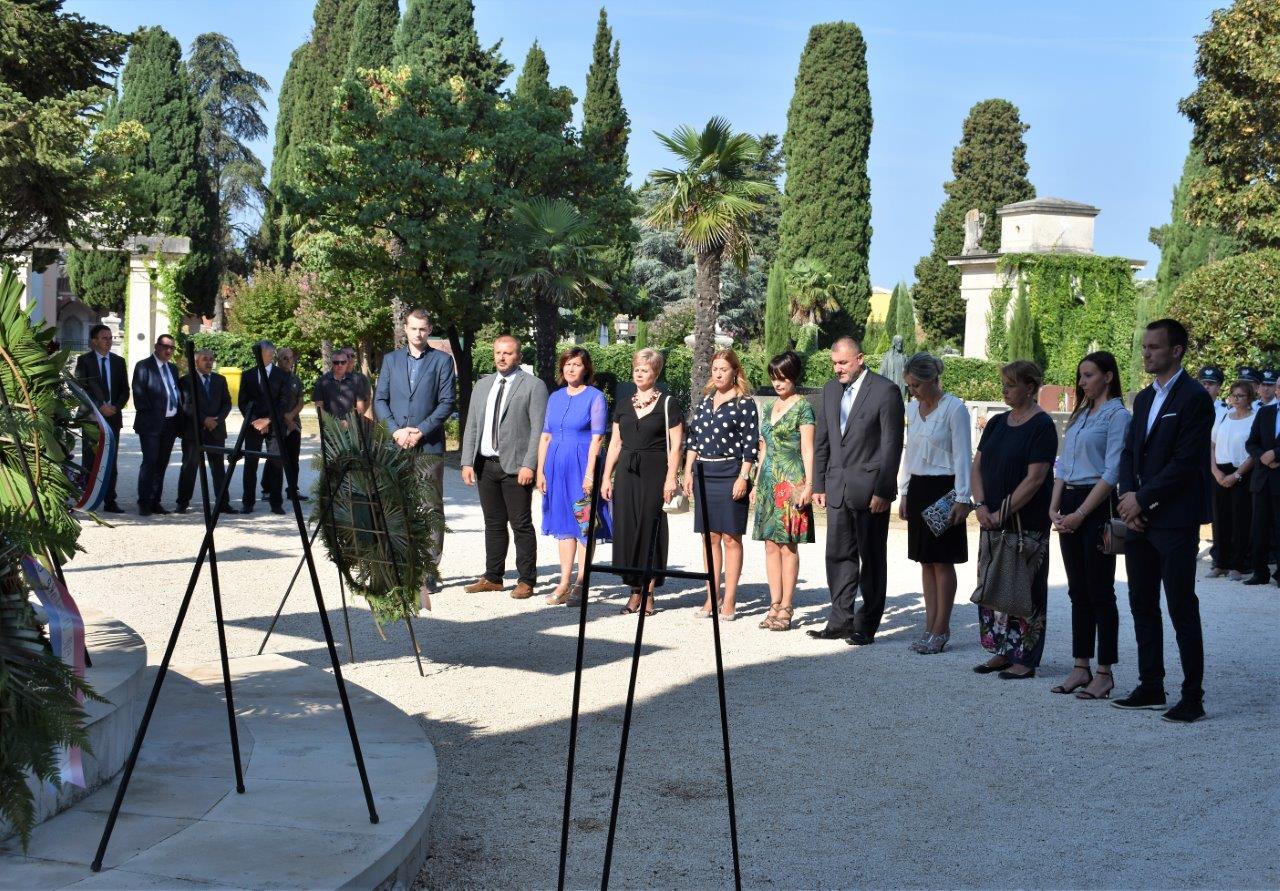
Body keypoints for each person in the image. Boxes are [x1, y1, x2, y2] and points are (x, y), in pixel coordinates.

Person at [1114, 318, 1214, 723]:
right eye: (1144, 346)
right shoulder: (1142, 399)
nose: (1146, 353)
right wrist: (1127, 499)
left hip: (1174, 519)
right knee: (1141, 602)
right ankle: (1151, 684)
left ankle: (1193, 697)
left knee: (1181, 606)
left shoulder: (1195, 398)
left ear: (1177, 351)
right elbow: (1129, 453)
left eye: (1154, 347)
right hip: (1139, 518)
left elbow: (1185, 463)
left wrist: (1143, 501)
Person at [810, 337, 905, 645]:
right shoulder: (830, 390)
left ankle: (866, 625)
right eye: (834, 363)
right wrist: (818, 483)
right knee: (837, 555)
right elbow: (823, 440)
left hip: (870, 491)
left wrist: (884, 490)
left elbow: (891, 444)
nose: (837, 369)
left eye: (843, 363)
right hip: (837, 487)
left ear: (860, 359)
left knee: (872, 558)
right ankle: (840, 620)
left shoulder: (885, 391)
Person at [1048, 352, 1130, 700]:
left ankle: (1104, 672)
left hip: (1095, 505)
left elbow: (1112, 472)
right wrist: (1053, 507)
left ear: (1108, 376)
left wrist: (1081, 513)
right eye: (1080, 376)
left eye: (1089, 375)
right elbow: (1063, 464)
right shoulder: (1081, 415)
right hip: (1069, 501)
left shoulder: (1118, 416)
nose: (1082, 382)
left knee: (1100, 590)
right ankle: (1080, 665)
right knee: (1077, 590)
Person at [971, 360, 1058, 679]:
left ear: (1030, 387)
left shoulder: (1042, 425)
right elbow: (977, 465)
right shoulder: (996, 423)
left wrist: (1002, 511)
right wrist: (981, 505)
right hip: (991, 519)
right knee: (994, 583)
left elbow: (1035, 479)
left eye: (1011, 385)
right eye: (1003, 384)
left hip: (1026, 523)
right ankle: (1002, 650)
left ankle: (1025, 657)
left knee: (1025, 587)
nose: (1004, 390)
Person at [374, 309, 456, 600]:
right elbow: (380, 399)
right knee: (395, 505)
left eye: (423, 329)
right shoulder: (390, 360)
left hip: (428, 445)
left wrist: (420, 431)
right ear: (405, 329)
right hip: (395, 446)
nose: (418, 333)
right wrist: (396, 431)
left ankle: (428, 570)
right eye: (413, 328)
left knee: (430, 507)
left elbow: (447, 402)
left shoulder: (442, 361)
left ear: (429, 329)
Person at [460, 335, 547, 599]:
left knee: (521, 524)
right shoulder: (482, 385)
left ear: (518, 356)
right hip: (485, 465)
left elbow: (538, 429)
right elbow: (472, 425)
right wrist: (466, 461)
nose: (502, 357)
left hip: (516, 468)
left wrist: (529, 465)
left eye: (507, 353)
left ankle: (526, 580)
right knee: (493, 524)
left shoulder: (534, 386)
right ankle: (493, 577)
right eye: (498, 352)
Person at [897, 352, 972, 655]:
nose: (912, 390)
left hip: (945, 490)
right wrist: (904, 491)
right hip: (919, 488)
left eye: (916, 385)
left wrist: (963, 498)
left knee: (942, 561)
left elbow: (963, 456)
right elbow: (910, 452)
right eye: (909, 385)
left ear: (932, 380)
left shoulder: (955, 409)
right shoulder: (912, 410)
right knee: (925, 560)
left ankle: (941, 628)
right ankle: (929, 627)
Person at [600, 348, 682, 615]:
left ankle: (648, 592)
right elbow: (615, 444)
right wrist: (606, 477)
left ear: (655, 373)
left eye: (644, 369)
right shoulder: (623, 404)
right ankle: (634, 590)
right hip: (626, 473)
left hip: (655, 472)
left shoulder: (668, 403)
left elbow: (677, 445)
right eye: (636, 368)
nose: (639, 373)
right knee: (627, 528)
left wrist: (671, 478)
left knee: (649, 528)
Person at [683, 349, 759, 620]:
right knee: (709, 537)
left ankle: (730, 600)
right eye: (715, 369)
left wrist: (744, 476)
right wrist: (688, 472)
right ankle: (711, 596)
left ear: (734, 372)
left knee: (730, 537)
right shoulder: (705, 401)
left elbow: (751, 444)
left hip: (731, 472)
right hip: (704, 472)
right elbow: (693, 439)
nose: (717, 373)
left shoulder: (744, 403)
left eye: (723, 369)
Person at [535, 347, 611, 606]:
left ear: (585, 369)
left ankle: (581, 582)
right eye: (567, 364)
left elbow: (597, 438)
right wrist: (540, 470)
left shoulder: (595, 397)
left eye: (576, 364)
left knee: (583, 524)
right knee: (562, 524)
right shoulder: (555, 397)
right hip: (556, 467)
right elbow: (546, 436)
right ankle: (564, 582)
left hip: (581, 467)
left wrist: (590, 475)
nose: (571, 369)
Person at [750, 351, 815, 632]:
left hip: (791, 482)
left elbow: (808, 449)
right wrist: (755, 483)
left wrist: (809, 485)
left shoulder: (804, 407)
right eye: (774, 377)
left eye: (783, 377)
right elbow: (763, 449)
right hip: (767, 482)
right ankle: (774, 603)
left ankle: (787, 605)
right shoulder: (768, 408)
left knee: (788, 545)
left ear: (793, 377)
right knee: (769, 544)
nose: (777, 383)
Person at [74, 324, 128, 513]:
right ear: (94, 341)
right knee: (91, 459)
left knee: (111, 459)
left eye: (111, 338)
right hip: (92, 418)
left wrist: (115, 407)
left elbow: (125, 390)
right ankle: (88, 499)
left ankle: (110, 500)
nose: (109, 341)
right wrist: (100, 407)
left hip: (113, 417)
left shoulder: (119, 362)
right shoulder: (84, 361)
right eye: (104, 338)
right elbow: (81, 389)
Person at [176, 349, 236, 515]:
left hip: (216, 430)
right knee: (189, 467)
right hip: (194, 432)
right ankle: (182, 503)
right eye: (205, 359)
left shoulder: (220, 380)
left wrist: (217, 420)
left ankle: (223, 503)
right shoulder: (186, 381)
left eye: (211, 359)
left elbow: (227, 403)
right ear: (196, 362)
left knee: (218, 469)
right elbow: (186, 405)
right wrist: (204, 420)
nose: (209, 362)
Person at [131, 333, 182, 516]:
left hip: (170, 424)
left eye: (172, 348)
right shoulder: (144, 366)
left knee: (162, 464)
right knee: (150, 462)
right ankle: (144, 502)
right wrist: (153, 415)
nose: (169, 351)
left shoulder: (173, 368)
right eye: (165, 346)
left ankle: (155, 501)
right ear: (156, 346)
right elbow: (139, 394)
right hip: (150, 425)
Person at [237, 340, 290, 514]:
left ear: (270, 354)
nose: (258, 356)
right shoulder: (248, 375)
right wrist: (255, 421)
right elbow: (243, 402)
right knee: (250, 463)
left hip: (275, 426)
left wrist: (268, 420)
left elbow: (284, 402)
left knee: (276, 463)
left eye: (262, 353)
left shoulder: (281, 375)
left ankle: (276, 503)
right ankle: (248, 503)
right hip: (253, 426)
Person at [1209, 379, 1255, 581]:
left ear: (1249, 397)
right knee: (1220, 519)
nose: (1236, 399)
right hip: (1220, 470)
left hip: (1242, 472)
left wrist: (1237, 475)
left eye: (1240, 396)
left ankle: (1238, 565)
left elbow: (1254, 452)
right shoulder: (1223, 416)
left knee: (1240, 519)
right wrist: (1215, 471)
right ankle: (1220, 563)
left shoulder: (1255, 418)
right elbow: (1211, 445)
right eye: (1233, 395)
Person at [1244, 380, 1280, 587]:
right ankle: (1260, 572)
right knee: (1259, 528)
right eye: (1279, 387)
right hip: (1262, 480)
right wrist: (1263, 457)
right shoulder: (1265, 412)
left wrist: (1275, 453)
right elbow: (1251, 443)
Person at [275, 347, 307, 504]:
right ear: (278, 360)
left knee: (294, 459)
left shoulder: (296, 380)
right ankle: (270, 490)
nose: (289, 361)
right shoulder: (273, 379)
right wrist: (285, 418)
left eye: (291, 358)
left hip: (294, 424)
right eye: (285, 358)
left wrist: (291, 416)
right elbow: (272, 402)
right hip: (278, 424)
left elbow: (301, 402)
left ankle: (293, 490)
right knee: (275, 459)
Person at [313, 347, 371, 419]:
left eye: (352, 355)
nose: (350, 358)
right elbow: (319, 406)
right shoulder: (323, 380)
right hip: (330, 423)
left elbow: (365, 402)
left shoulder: (360, 379)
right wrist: (330, 422)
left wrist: (355, 420)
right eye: (347, 356)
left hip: (353, 422)